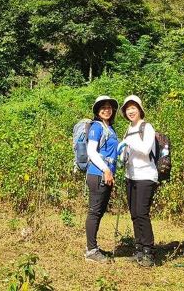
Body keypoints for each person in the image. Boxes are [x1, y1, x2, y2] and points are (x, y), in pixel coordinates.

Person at [119, 94, 158, 267]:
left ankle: (149, 252)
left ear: (140, 109)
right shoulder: (128, 129)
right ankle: (139, 249)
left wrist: (127, 141)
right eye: (128, 109)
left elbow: (144, 148)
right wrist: (120, 156)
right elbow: (127, 151)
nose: (131, 111)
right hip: (131, 176)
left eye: (133, 108)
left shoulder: (147, 127)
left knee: (142, 213)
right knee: (134, 214)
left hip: (146, 176)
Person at [84, 95, 119, 263]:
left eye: (109, 107)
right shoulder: (97, 127)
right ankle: (91, 251)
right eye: (102, 107)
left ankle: (93, 247)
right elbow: (91, 151)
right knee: (94, 211)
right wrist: (106, 169)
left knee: (99, 212)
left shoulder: (110, 128)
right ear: (97, 111)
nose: (106, 109)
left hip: (106, 175)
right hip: (98, 174)